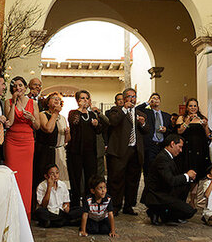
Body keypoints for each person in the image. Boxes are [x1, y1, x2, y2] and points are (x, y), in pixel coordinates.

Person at [106, 86, 144, 214]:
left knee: (133, 180)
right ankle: (115, 206)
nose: (132, 99)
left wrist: (143, 123)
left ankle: (129, 205)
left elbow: (146, 130)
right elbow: (113, 121)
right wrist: (124, 109)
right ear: (124, 98)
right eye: (129, 96)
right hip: (119, 150)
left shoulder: (139, 113)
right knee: (116, 179)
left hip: (135, 151)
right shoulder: (116, 110)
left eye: (134, 97)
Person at [3, 75, 37, 219]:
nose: (18, 88)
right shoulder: (7, 102)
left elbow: (37, 126)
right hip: (12, 141)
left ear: (25, 87)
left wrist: (32, 119)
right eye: (15, 86)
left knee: (26, 179)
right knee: (13, 176)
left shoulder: (33, 103)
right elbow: (9, 123)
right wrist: (13, 105)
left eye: (21, 85)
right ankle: (11, 214)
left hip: (27, 142)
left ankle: (25, 215)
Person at [143, 134, 197, 224]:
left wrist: (188, 177)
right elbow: (171, 180)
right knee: (188, 211)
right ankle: (157, 211)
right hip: (157, 195)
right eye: (179, 147)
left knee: (186, 184)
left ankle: (167, 214)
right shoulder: (162, 158)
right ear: (172, 144)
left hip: (165, 191)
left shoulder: (168, 157)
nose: (181, 150)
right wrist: (187, 175)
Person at [67, 92, 106, 209]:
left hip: (90, 152)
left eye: (87, 98)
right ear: (77, 100)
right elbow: (74, 123)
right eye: (82, 98)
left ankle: (90, 204)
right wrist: (80, 109)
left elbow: (99, 130)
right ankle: (75, 206)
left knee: (91, 178)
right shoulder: (73, 113)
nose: (85, 100)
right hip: (76, 151)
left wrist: (97, 124)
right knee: (76, 178)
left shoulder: (92, 114)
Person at [177, 98, 212, 181]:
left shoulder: (202, 118)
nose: (193, 108)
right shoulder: (181, 118)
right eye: (190, 106)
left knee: (200, 174)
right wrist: (187, 122)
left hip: (200, 149)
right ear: (187, 107)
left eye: (195, 106)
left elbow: (209, 136)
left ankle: (196, 193)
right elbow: (179, 131)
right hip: (186, 149)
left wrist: (205, 126)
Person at [136, 94, 169, 174]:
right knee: (149, 169)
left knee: (161, 169)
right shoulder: (147, 113)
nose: (156, 100)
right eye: (153, 98)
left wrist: (166, 130)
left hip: (162, 145)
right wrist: (148, 103)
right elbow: (136, 109)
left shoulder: (166, 115)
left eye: (158, 98)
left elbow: (171, 130)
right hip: (150, 145)